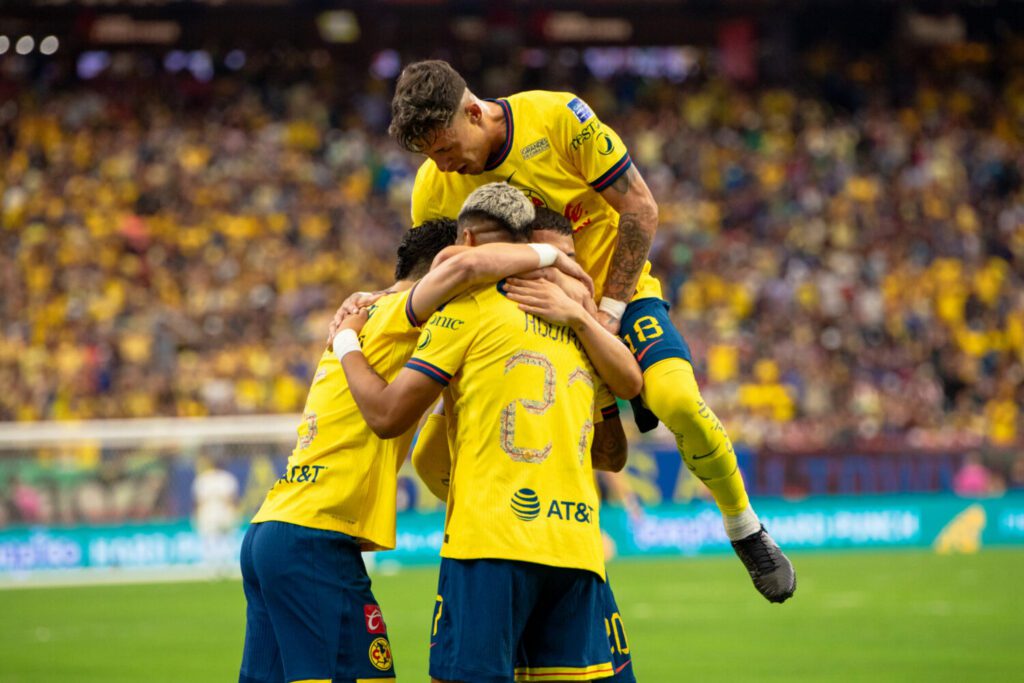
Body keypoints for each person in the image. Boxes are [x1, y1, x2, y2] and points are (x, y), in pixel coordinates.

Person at [386, 59, 795, 603]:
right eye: (430, 156)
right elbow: (427, 272)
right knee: (430, 458)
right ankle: (514, 542)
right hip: (521, 323)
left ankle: (745, 528)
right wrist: (385, 299)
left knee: (675, 399)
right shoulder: (432, 185)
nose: (443, 164)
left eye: (444, 148)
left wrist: (606, 313)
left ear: (473, 111)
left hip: (617, 299)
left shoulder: (558, 118)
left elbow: (641, 210)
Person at [240, 217, 587, 683]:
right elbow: (464, 272)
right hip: (315, 536)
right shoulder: (397, 316)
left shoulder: (365, 318)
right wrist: (553, 256)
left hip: (273, 528)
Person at [336, 183, 641, 683]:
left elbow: (390, 417)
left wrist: (353, 332)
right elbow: (628, 392)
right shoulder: (573, 317)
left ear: (469, 242)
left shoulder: (467, 308)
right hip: (575, 545)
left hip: (489, 545)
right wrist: (584, 311)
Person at [192, 455, 240, 576]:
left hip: (208, 512)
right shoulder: (227, 478)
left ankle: (212, 566)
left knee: (210, 540)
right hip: (223, 511)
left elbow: (198, 501)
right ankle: (225, 565)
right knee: (224, 539)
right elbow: (232, 499)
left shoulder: (203, 479)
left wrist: (196, 514)